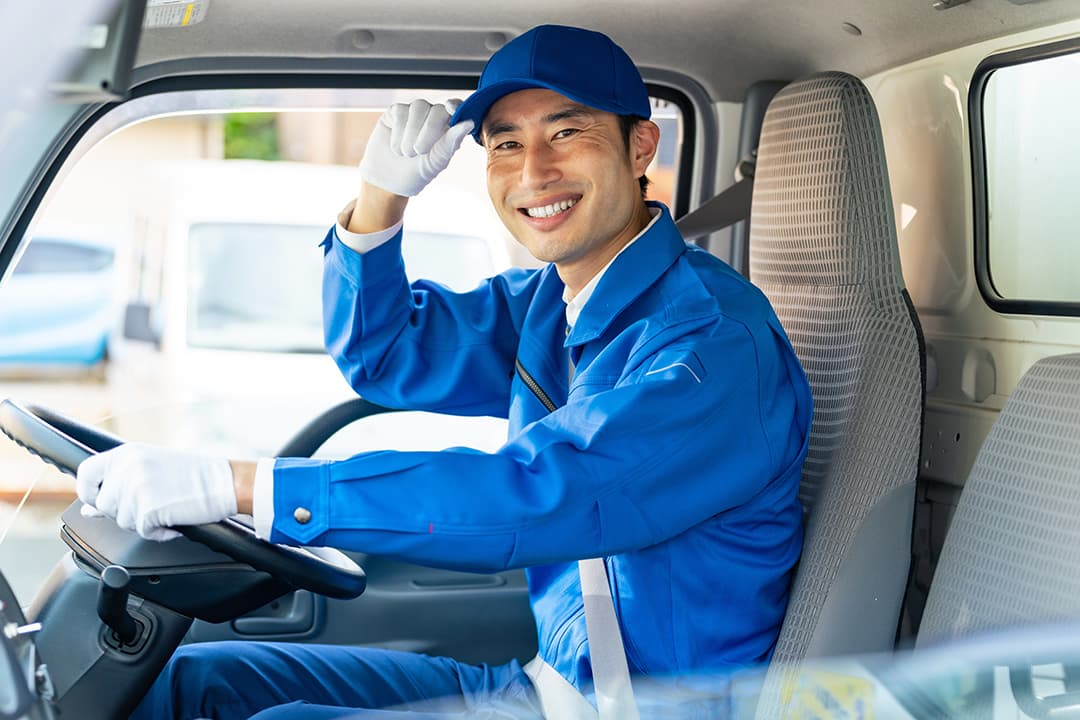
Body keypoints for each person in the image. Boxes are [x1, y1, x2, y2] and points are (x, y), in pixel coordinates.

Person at [77, 24, 812, 720]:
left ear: (640, 144)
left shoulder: (711, 346)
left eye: (567, 132)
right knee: (201, 682)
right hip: (547, 688)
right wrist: (381, 199)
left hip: (637, 710)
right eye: (505, 143)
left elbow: (542, 491)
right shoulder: (552, 305)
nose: (534, 171)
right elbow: (387, 354)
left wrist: (239, 485)